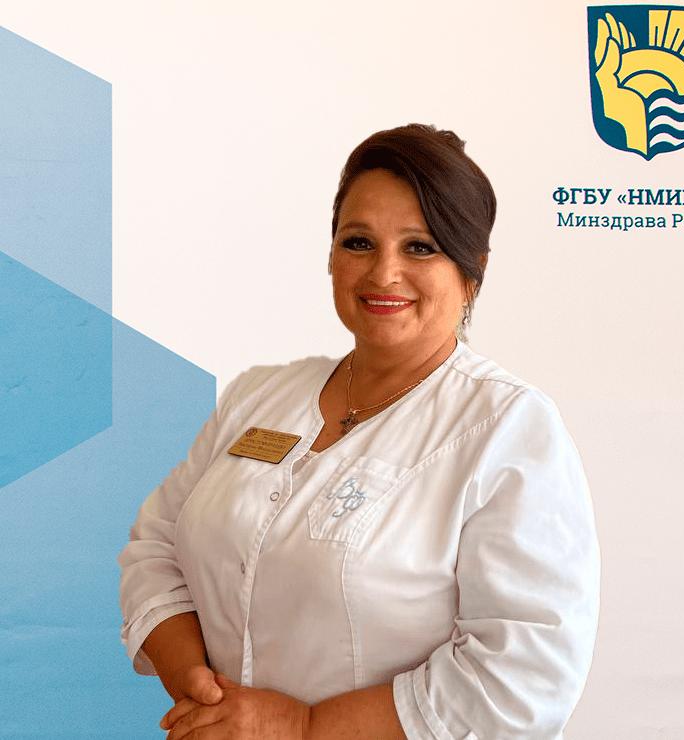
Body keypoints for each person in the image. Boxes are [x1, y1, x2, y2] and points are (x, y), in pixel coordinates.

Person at [118, 123, 600, 739]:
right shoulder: (259, 395)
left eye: (420, 247)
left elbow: (522, 677)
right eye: (359, 242)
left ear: (472, 270)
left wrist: (300, 727)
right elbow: (156, 548)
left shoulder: (509, 428)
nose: (383, 272)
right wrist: (203, 694)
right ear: (331, 256)